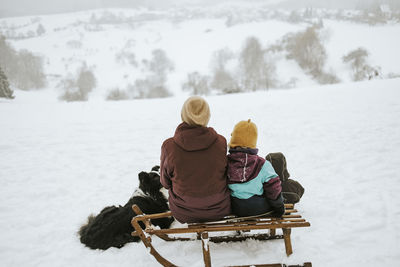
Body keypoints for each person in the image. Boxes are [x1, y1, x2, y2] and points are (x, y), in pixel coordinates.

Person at [160, 96, 231, 223]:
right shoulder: (221, 142)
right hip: (219, 209)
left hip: (183, 212)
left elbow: (165, 183)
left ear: (183, 114)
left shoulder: (168, 146)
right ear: (207, 115)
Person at [227, 119, 285, 217]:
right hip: (259, 208)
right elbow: (274, 188)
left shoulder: (226, 162)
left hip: (235, 208)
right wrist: (279, 207)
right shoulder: (262, 164)